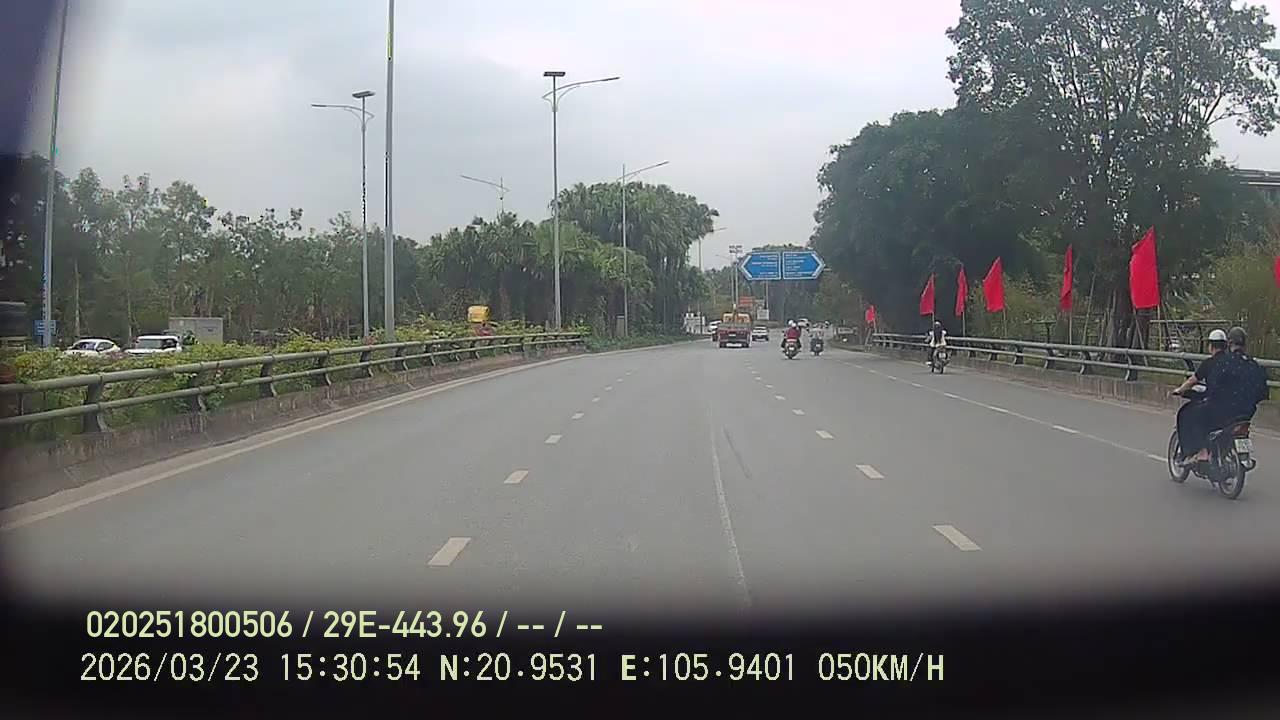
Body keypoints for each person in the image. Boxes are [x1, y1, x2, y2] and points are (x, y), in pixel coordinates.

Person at [1172, 327, 1263, 467]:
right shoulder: (1253, 364)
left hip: (1224, 409)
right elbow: (1262, 391)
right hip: (1247, 412)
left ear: (1229, 343)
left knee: (1191, 414)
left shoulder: (1224, 363)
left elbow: (1214, 387)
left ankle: (1202, 451)